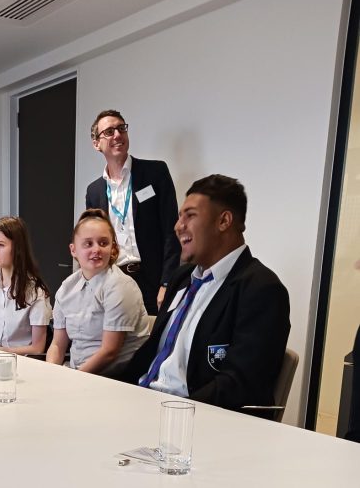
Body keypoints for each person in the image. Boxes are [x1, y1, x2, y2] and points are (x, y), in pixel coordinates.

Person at [122, 175, 290, 418]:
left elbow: (239, 385)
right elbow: (150, 354)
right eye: (180, 217)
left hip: (192, 421)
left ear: (224, 221)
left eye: (189, 215)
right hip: (146, 404)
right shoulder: (182, 278)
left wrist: (171, 415)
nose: (178, 226)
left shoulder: (261, 289)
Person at [86, 109, 180, 315]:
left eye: (121, 128)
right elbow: (93, 242)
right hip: (113, 281)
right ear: (96, 144)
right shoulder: (94, 191)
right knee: (119, 344)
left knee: (154, 341)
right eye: (109, 132)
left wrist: (167, 282)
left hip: (153, 280)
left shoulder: (155, 173)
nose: (117, 135)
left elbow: (172, 231)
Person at [47, 209, 148, 378]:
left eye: (103, 243)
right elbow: (57, 344)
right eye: (88, 244)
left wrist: (73, 379)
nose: (96, 249)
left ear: (112, 247)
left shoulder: (120, 285)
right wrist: (50, 374)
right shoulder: (66, 288)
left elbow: (110, 351)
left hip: (116, 379)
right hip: (79, 374)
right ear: (73, 250)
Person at [0, 216, 51, 355]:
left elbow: (37, 348)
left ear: (17, 248)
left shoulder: (35, 290)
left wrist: (1, 352)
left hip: (22, 359)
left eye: (0, 245)